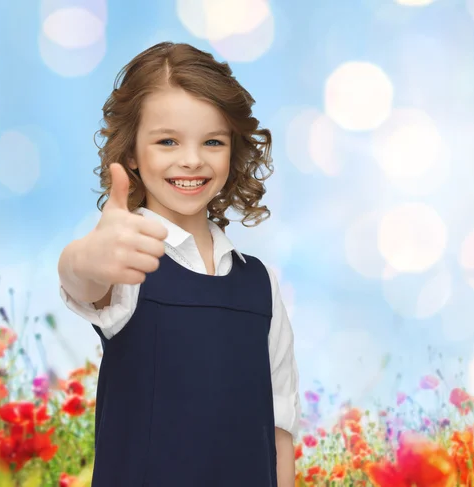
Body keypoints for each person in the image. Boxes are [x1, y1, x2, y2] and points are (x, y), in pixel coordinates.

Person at [57, 42, 300, 487]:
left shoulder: (259, 285)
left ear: (234, 150)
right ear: (131, 154)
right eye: (167, 141)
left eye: (212, 141)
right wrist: (85, 257)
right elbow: (81, 278)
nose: (191, 159)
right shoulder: (127, 262)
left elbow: (279, 426)